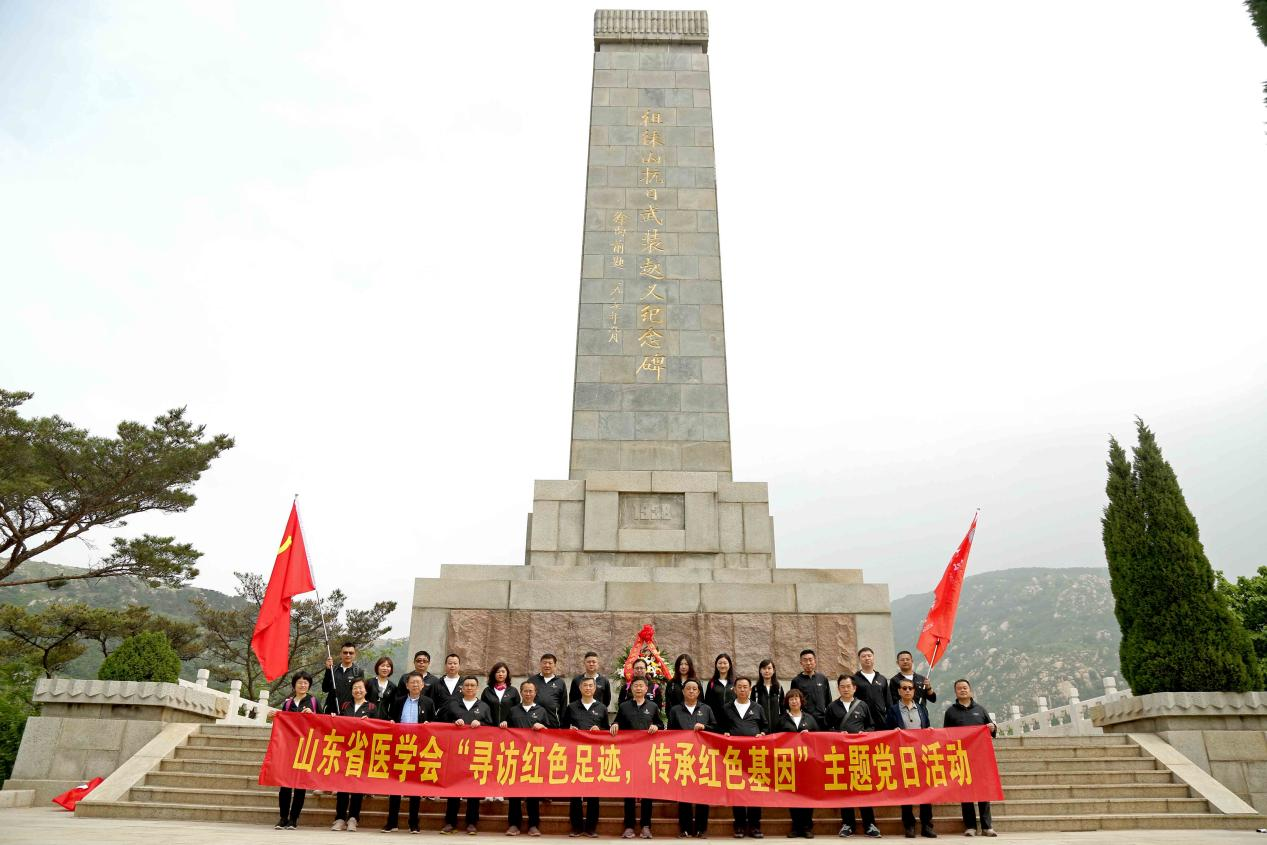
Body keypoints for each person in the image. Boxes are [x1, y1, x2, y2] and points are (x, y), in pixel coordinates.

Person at [827, 676, 880, 839]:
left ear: (854, 688)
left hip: (860, 753)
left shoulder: (862, 705)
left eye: (848, 686)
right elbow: (826, 728)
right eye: (842, 686)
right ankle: (848, 824)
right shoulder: (832, 706)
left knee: (864, 786)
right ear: (838, 688)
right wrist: (837, 734)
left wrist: (865, 734)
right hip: (841, 753)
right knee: (845, 789)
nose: (845, 689)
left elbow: (871, 725)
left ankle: (869, 824)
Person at [943, 679, 997, 838]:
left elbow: (991, 729)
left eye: (965, 688)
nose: (962, 690)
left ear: (970, 690)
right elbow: (946, 735)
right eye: (959, 688)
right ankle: (970, 826)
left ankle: (987, 827)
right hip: (961, 757)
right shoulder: (950, 712)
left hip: (980, 758)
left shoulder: (980, 710)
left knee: (983, 792)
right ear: (955, 692)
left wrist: (992, 727)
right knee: (966, 793)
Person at [383, 672, 437, 833]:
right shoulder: (399, 702)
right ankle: (392, 822)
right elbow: (391, 719)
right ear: (406, 685)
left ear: (422, 686)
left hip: (418, 749)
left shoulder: (428, 702)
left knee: (415, 787)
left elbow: (434, 722)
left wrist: (429, 724)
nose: (415, 685)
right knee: (395, 786)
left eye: (418, 682)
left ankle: (414, 822)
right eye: (412, 682)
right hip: (400, 748)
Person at [502, 679, 556, 836]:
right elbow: (506, 732)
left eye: (531, 691)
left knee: (533, 792)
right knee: (515, 793)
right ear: (521, 692)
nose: (528, 694)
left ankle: (533, 825)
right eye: (525, 691)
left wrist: (543, 727)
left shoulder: (541, 711)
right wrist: (504, 724)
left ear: (535, 693)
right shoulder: (513, 711)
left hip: (535, 757)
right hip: (516, 756)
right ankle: (514, 824)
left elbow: (550, 733)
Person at [443, 676, 493, 834]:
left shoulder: (484, 706)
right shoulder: (453, 705)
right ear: (462, 688)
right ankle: (450, 822)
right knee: (454, 788)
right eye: (467, 685)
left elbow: (492, 728)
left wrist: (482, 724)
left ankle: (472, 822)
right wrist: (453, 723)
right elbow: (441, 724)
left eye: (472, 685)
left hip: (476, 753)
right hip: (456, 753)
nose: (469, 688)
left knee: (473, 788)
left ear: (477, 688)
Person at [613, 677, 660, 839]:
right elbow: (617, 722)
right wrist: (616, 725)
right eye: (635, 686)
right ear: (631, 689)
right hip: (629, 754)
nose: (638, 688)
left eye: (641, 686)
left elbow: (660, 725)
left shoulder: (653, 706)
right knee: (629, 792)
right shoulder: (624, 706)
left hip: (648, 755)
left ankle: (646, 826)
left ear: (647, 689)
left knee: (648, 792)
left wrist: (657, 726)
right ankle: (629, 826)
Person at [667, 678, 714, 838]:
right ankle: (685, 829)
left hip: (703, 757)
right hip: (683, 757)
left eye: (695, 689)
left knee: (703, 794)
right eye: (689, 689)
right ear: (683, 691)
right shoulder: (675, 710)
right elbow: (670, 733)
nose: (692, 691)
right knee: (684, 794)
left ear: (699, 692)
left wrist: (705, 727)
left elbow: (715, 729)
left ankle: (701, 829)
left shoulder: (706, 709)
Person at [887, 680, 934, 839]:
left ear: (914, 691)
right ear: (899, 691)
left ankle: (927, 825)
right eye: (904, 688)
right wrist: (894, 731)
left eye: (910, 688)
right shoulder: (893, 710)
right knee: (906, 791)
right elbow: (887, 731)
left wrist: (930, 731)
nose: (907, 691)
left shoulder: (921, 708)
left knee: (925, 791)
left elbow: (927, 727)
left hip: (921, 755)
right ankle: (909, 825)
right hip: (903, 755)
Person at [563, 676, 609, 837]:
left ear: (595, 689)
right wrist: (570, 730)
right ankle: (576, 826)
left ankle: (591, 827)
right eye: (585, 686)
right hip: (575, 754)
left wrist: (601, 730)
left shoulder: (602, 708)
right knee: (575, 792)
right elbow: (562, 729)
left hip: (595, 755)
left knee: (593, 792)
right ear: (580, 688)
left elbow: (608, 732)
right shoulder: (572, 707)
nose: (588, 688)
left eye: (591, 686)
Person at [722, 677, 767, 839]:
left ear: (750, 689)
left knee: (755, 790)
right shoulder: (727, 708)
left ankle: (755, 826)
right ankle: (739, 825)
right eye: (739, 687)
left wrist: (762, 734)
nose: (742, 689)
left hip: (754, 755)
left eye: (745, 687)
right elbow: (721, 727)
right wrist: (725, 733)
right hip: (734, 756)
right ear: (734, 689)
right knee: (737, 790)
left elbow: (765, 726)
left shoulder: (758, 708)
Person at [276, 671, 319, 830]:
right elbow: (282, 724)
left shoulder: (314, 701)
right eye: (300, 682)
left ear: (309, 685)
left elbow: (322, 723)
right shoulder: (287, 703)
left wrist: (313, 715)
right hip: (288, 748)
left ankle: (293, 819)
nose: (302, 685)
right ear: (294, 685)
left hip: (306, 748)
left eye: (306, 683)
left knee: (300, 785)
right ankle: (283, 818)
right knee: (285, 785)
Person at [333, 678, 376, 831]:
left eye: (361, 688)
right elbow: (337, 724)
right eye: (355, 688)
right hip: (345, 751)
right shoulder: (345, 705)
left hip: (362, 752)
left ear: (366, 690)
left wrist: (370, 721)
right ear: (351, 691)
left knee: (357, 786)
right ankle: (339, 818)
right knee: (342, 785)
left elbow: (379, 727)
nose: (358, 690)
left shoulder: (372, 707)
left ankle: (353, 818)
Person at [777, 689, 818, 838]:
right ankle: (796, 826)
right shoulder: (781, 719)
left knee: (807, 794)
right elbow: (775, 740)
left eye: (796, 698)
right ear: (787, 702)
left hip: (807, 763)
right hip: (789, 763)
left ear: (801, 701)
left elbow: (819, 740)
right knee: (792, 795)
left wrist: (810, 736)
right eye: (791, 699)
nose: (794, 701)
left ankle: (807, 827)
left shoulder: (810, 719)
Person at [850, 648, 890, 733]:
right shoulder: (854, 679)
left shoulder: (882, 679)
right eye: (863, 656)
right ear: (859, 660)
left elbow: (888, 701)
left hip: (881, 720)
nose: (867, 658)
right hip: (863, 721)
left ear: (873, 658)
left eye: (869, 656)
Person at [789, 649, 830, 731]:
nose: (808, 663)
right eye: (805, 660)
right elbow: (793, 701)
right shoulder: (796, 681)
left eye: (810, 660)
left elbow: (828, 700)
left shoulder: (822, 678)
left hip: (822, 720)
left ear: (815, 661)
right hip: (805, 720)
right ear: (801, 663)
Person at [529, 653, 569, 726]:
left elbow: (563, 705)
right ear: (540, 664)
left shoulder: (560, 682)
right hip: (534, 722)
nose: (547, 665)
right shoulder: (532, 681)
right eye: (544, 663)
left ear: (555, 665)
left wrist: (564, 725)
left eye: (550, 663)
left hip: (553, 723)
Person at [323, 642, 364, 714]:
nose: (348, 655)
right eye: (345, 652)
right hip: (331, 711)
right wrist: (328, 670)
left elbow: (361, 694)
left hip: (349, 712)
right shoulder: (333, 670)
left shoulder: (358, 672)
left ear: (354, 655)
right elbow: (325, 688)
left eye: (351, 653)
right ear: (341, 654)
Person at [482, 661, 521, 728]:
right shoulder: (487, 691)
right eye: (498, 672)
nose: (500, 674)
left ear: (507, 674)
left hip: (508, 728)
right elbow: (483, 709)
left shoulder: (513, 691)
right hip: (491, 727)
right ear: (493, 674)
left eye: (503, 671)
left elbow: (517, 710)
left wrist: (508, 722)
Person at [704, 653, 736, 732]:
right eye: (720, 663)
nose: (722, 666)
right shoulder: (712, 683)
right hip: (715, 721)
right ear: (716, 665)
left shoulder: (735, 682)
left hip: (733, 721)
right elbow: (707, 703)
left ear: (730, 665)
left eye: (725, 663)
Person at [752, 659, 784, 731]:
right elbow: (752, 708)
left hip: (777, 727)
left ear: (774, 670)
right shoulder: (755, 689)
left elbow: (782, 708)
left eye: (769, 668)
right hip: (760, 728)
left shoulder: (779, 688)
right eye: (764, 668)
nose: (767, 671)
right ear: (760, 671)